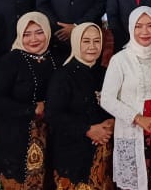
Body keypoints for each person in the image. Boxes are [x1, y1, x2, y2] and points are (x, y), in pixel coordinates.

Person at [101, 6, 151, 190]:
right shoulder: (120, 60)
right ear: (131, 28)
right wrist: (138, 118)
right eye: (138, 26)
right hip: (132, 132)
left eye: (150, 25)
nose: (145, 32)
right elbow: (107, 99)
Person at [0, 12, 56, 190]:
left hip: (51, 140)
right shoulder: (9, 62)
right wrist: (31, 109)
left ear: (47, 32)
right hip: (16, 141)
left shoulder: (56, 59)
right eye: (26, 34)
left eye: (39, 32)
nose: (33, 39)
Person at [47, 22, 115, 189]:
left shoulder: (106, 73)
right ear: (76, 42)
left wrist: (112, 122)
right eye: (86, 41)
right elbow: (54, 116)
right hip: (72, 156)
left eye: (97, 41)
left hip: (103, 155)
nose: (92, 46)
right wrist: (87, 129)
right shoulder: (63, 76)